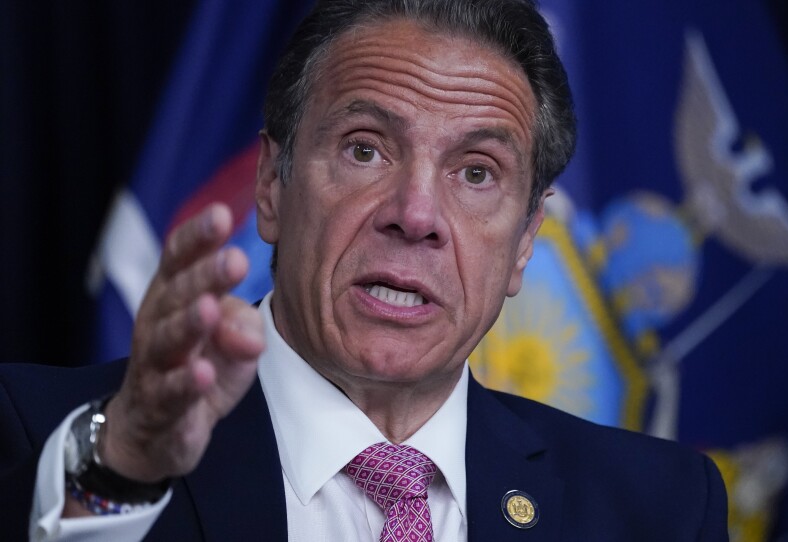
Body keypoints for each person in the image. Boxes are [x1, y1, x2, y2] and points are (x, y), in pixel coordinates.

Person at [0, 0, 728, 540]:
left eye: (477, 173)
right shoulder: (37, 435)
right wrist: (120, 468)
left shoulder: (659, 508)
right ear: (272, 185)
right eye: (365, 149)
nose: (415, 214)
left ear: (527, 240)